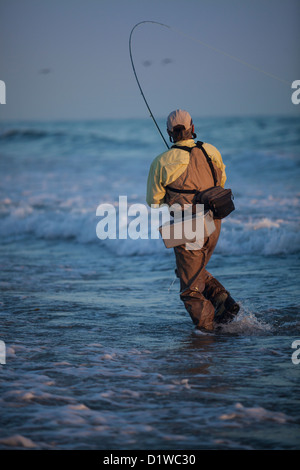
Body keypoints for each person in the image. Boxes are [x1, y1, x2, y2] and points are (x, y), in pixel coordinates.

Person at [146, 109, 239, 331]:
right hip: (215, 223)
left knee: (190, 290)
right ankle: (224, 304)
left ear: (169, 133)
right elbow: (221, 181)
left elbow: (154, 202)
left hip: (188, 229)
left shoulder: (161, 161)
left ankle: (207, 334)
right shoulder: (211, 151)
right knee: (189, 271)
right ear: (192, 128)